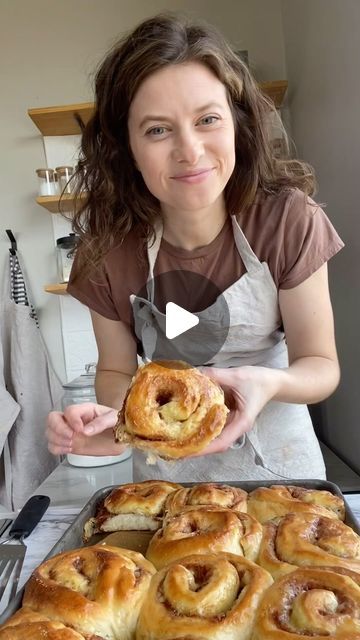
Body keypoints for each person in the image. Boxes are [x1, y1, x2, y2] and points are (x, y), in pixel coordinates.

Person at [46, 13, 344, 482]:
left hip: (286, 480)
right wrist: (117, 419)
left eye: (207, 119)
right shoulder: (106, 255)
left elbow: (321, 366)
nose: (190, 150)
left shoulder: (287, 221)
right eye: (157, 130)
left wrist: (267, 382)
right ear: (125, 147)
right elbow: (114, 372)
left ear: (237, 125)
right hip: (169, 487)